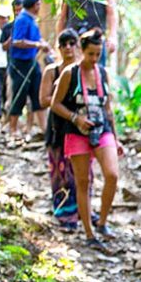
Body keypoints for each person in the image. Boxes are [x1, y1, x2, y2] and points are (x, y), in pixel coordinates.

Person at [50, 29, 123, 252]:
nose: (93, 59)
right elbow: (55, 103)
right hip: (76, 132)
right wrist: (76, 118)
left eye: (97, 54)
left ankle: (102, 222)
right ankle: (89, 233)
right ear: (82, 51)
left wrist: (117, 138)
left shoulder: (103, 73)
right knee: (83, 183)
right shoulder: (70, 74)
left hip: (102, 130)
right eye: (90, 54)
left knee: (112, 175)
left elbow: (107, 107)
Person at [40, 28, 95, 230]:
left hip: (82, 129)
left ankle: (85, 212)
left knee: (83, 174)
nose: (69, 48)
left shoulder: (87, 71)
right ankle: (65, 212)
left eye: (72, 43)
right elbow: (44, 99)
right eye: (64, 44)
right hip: (58, 128)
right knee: (60, 173)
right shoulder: (52, 71)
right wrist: (60, 93)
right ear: (59, 48)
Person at [57, 0, 119, 66]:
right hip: (74, 41)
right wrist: (59, 40)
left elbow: (111, 14)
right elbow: (63, 17)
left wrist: (112, 36)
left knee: (97, 72)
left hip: (95, 40)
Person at [8, 0, 50, 138]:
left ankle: (45, 129)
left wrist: (44, 45)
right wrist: (37, 45)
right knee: (19, 94)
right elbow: (17, 41)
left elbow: (38, 39)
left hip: (32, 62)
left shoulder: (32, 20)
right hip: (20, 63)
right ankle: (13, 129)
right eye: (38, 3)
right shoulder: (22, 20)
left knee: (37, 93)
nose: (40, 6)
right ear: (33, 4)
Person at [0, 0, 36, 135]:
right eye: (16, 10)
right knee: (12, 97)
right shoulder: (8, 27)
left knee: (30, 100)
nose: (18, 12)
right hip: (13, 67)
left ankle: (29, 128)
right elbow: (3, 47)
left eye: (21, 9)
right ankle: (11, 128)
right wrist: (12, 39)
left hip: (29, 67)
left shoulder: (31, 25)